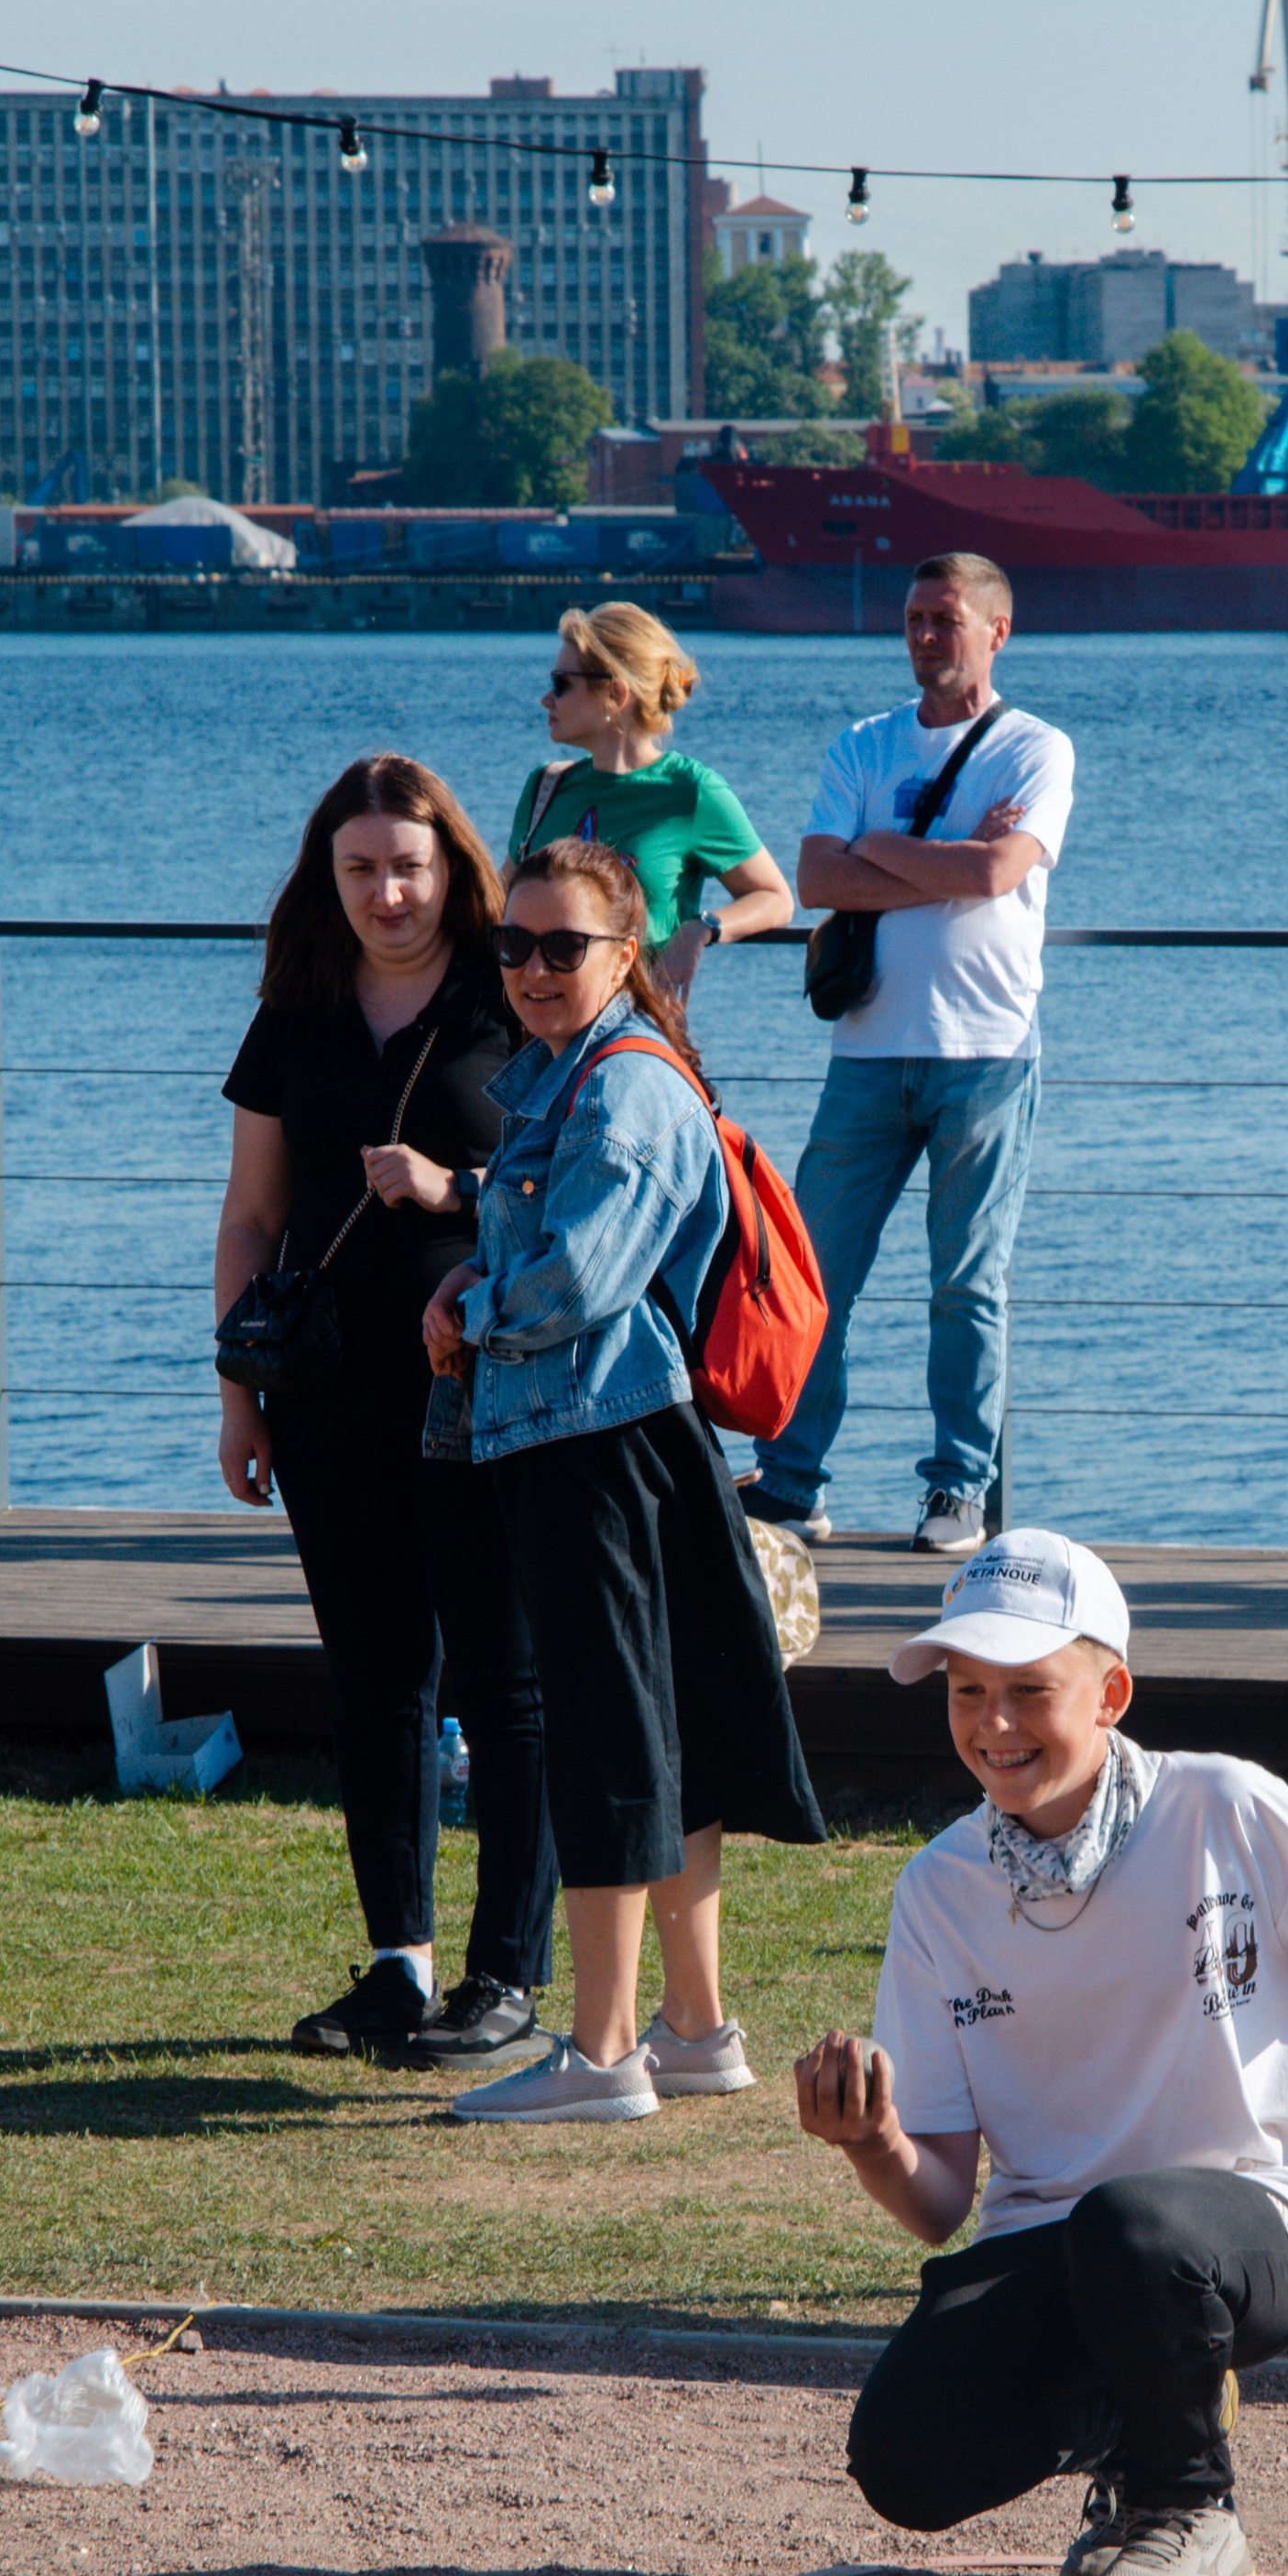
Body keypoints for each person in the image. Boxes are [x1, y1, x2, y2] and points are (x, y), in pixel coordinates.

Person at [793, 1529, 1288, 2576]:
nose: (992, 1723)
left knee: (1133, 2228)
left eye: (1030, 1689)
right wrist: (871, 2139)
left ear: (1111, 1692)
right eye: (966, 1688)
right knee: (904, 2456)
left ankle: (1189, 2513)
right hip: (1073, 2246)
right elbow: (941, 2204)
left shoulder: (1228, 1806)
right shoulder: (935, 1889)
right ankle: (1146, 2410)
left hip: (1265, 2216)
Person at [422, 836, 826, 2123]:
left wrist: (475, 1306)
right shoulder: (561, 1075)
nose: (533, 970)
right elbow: (556, 1238)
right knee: (668, 1734)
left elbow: (586, 1279)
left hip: (601, 1446)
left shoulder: (625, 1088)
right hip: (616, 1439)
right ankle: (695, 2029)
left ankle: (600, 2057)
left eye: (563, 948)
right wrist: (475, 1266)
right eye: (513, 946)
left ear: (627, 953)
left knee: (608, 1738)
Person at [215, 753, 559, 2066]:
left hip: (484, 1389)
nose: (386, 892)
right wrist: (238, 1395)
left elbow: (575, 1176)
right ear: (328, 876)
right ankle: (397, 1966)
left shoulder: (508, 994)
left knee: (503, 1675)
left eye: (407, 866)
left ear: (450, 867)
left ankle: (507, 1973)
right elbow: (251, 1214)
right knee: (375, 1680)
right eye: (359, 868)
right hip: (322, 1395)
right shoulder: (294, 1010)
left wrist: (452, 1187)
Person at [743, 551, 1075, 1559]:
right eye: (914, 618)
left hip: (987, 1050)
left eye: (945, 618)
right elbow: (811, 873)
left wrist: (876, 848)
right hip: (867, 1051)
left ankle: (958, 1490)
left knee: (966, 1283)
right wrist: (937, 857)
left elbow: (997, 871)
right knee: (814, 1274)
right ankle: (793, 1481)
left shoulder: (1035, 748)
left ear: (996, 630)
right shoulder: (864, 742)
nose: (925, 635)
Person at [508, 601, 792, 990]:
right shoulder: (544, 788)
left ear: (616, 693)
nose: (546, 698)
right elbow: (499, 907)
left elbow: (775, 898)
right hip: (537, 1037)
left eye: (561, 683)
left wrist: (701, 929)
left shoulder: (691, 791)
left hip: (638, 1033)